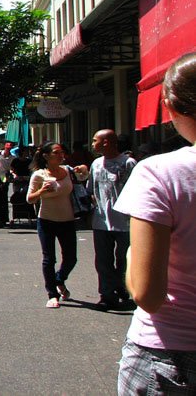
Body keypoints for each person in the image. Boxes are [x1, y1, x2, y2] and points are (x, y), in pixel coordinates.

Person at [115, 53, 196, 394]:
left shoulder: (159, 174)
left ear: (168, 106)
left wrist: (133, 254)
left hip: (170, 354)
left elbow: (147, 294)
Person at [26, 141, 88, 308]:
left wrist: (84, 169)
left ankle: (59, 279)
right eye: (57, 153)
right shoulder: (39, 175)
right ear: (46, 156)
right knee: (49, 258)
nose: (61, 156)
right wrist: (41, 192)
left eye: (62, 153)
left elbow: (84, 177)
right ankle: (52, 294)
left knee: (71, 258)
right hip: (46, 221)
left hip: (67, 221)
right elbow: (30, 198)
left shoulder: (68, 170)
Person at [87, 128, 137, 311]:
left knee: (124, 259)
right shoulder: (96, 164)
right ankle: (107, 295)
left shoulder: (128, 163)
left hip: (125, 222)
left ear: (106, 142)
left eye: (95, 140)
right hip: (101, 221)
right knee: (103, 261)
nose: (92, 144)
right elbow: (91, 190)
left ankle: (123, 289)